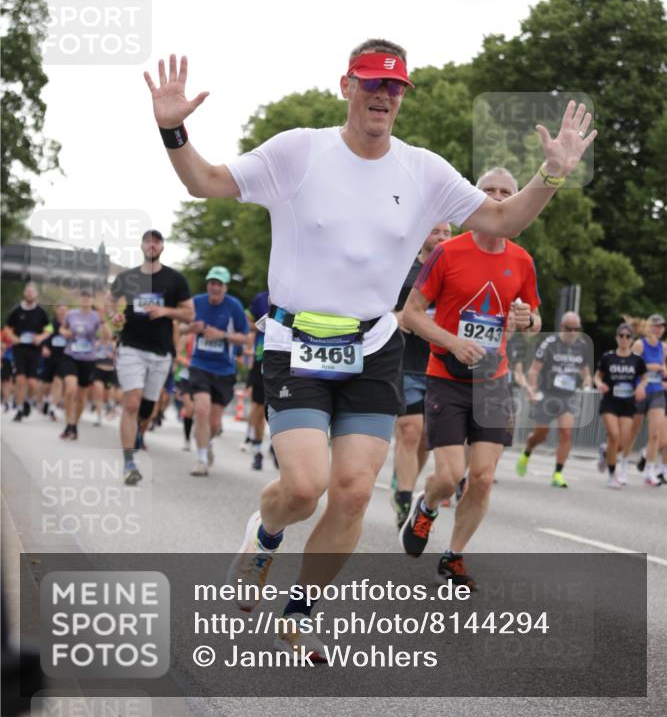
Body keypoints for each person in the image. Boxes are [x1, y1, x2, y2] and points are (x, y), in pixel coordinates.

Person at [144, 45, 595, 660]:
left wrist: (552, 174)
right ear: (346, 86)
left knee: (354, 492)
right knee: (304, 488)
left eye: (397, 87)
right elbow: (205, 182)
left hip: (373, 346)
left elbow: (503, 219)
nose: (384, 96)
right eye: (372, 84)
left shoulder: (424, 170)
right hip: (296, 341)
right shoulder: (298, 150)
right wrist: (174, 127)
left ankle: (299, 613)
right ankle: (267, 530)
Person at [398, 167, 541, 587]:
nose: (497, 198)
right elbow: (410, 314)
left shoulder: (522, 261)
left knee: (481, 477)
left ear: (517, 200)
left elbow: (532, 318)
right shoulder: (448, 253)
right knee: (448, 476)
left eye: (506, 192)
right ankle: (425, 507)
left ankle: (454, 556)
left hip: (493, 381)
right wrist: (452, 341)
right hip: (446, 374)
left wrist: (527, 317)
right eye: (488, 191)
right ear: (473, 198)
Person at [110, 230, 193, 485]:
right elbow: (109, 301)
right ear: (142, 245)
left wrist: (165, 310)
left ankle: (138, 436)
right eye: (148, 240)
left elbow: (189, 314)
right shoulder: (128, 277)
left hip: (161, 351)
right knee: (132, 403)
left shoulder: (175, 279)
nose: (152, 245)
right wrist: (114, 315)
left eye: (157, 241)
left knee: (147, 408)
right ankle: (129, 462)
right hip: (131, 347)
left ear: (162, 247)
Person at [390, 222, 451, 528]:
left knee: (426, 439)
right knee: (410, 430)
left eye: (447, 233)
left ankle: (404, 478)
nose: (441, 237)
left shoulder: (453, 273)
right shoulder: (402, 269)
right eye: (435, 231)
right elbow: (373, 308)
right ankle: (403, 499)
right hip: (405, 362)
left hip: (441, 367)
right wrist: (396, 317)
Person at [516, 311, 593, 488]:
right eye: (569, 328)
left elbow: (584, 369)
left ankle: (558, 474)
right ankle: (527, 451)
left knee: (566, 433)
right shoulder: (549, 344)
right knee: (540, 434)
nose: (572, 332)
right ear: (561, 327)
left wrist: (587, 378)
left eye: (576, 329)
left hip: (567, 396)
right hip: (547, 394)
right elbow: (534, 370)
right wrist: (532, 390)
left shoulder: (581, 346)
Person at [187, 267, 249, 477]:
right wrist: (190, 329)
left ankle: (208, 443)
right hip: (200, 364)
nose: (214, 287)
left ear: (225, 287)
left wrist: (221, 335)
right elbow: (178, 327)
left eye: (219, 284)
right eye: (211, 283)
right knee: (201, 411)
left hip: (224, 369)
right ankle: (201, 459)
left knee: (214, 423)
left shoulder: (234, 306)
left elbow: (244, 337)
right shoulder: (196, 302)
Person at [594, 324, 647, 488]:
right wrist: (599, 384)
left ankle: (605, 452)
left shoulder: (637, 360)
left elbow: (645, 377)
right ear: (617, 337)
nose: (624, 339)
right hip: (610, 402)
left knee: (623, 444)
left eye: (627, 336)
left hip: (627, 404)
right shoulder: (608, 357)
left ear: (632, 340)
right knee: (614, 436)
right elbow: (598, 376)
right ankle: (612, 475)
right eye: (621, 336)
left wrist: (640, 387)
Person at [59, 291, 105, 440]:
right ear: (79, 299)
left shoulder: (96, 316)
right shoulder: (71, 314)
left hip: (88, 358)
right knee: (70, 389)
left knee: (81, 394)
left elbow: (107, 336)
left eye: (88, 297)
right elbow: (62, 328)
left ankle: (74, 425)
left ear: (92, 300)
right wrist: (65, 333)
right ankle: (68, 422)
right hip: (70, 356)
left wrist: (103, 323)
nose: (85, 300)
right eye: (83, 297)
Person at [630, 314, 667, 486]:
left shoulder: (664, 347)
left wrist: (664, 372)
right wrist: (649, 367)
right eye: (656, 326)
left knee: (656, 434)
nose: (659, 329)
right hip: (640, 392)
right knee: (631, 433)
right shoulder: (639, 344)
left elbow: (664, 368)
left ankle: (650, 471)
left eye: (662, 326)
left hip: (657, 393)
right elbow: (629, 366)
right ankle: (613, 457)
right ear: (649, 327)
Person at [6, 284, 50, 421]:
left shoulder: (41, 311)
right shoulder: (16, 310)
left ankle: (27, 401)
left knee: (31, 383)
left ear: (36, 294)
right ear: (24, 293)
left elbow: (49, 329)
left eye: (32, 292)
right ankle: (19, 409)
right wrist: (14, 338)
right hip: (19, 350)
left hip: (34, 351)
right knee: (20, 380)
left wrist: (40, 338)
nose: (30, 294)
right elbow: (7, 328)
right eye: (28, 291)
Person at [246, 289, 271, 470]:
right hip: (262, 356)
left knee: (280, 406)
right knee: (258, 406)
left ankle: (277, 448)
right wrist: (265, 325)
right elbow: (248, 322)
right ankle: (257, 449)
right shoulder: (261, 297)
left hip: (289, 359)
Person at [40, 302, 69, 421]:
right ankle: (46, 400)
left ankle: (53, 408)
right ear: (56, 311)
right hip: (50, 357)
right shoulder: (50, 324)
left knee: (58, 381)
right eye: (60, 310)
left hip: (64, 358)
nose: (62, 312)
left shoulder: (70, 324)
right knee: (47, 384)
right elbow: (44, 336)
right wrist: (44, 347)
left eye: (64, 310)